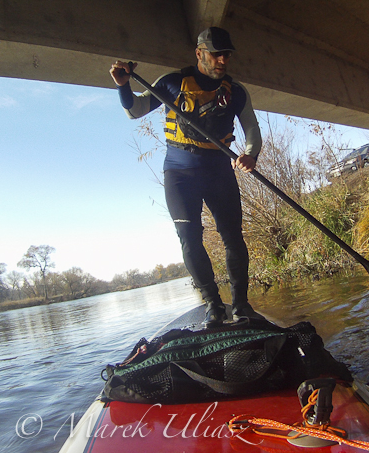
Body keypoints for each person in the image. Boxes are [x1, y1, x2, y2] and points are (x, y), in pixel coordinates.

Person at [109, 27, 263, 326]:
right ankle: (214, 305)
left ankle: (242, 305)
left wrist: (250, 154)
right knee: (189, 238)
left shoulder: (236, 91)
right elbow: (136, 110)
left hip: (219, 169)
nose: (222, 60)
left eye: (226, 55)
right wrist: (123, 86)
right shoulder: (171, 82)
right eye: (215, 54)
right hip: (180, 173)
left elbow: (252, 128)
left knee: (232, 237)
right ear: (199, 53)